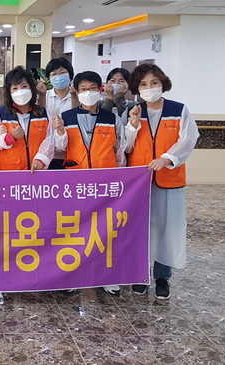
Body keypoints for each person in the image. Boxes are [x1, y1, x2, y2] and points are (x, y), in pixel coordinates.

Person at [125, 63, 199, 300]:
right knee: (140, 229)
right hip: (139, 182)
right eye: (144, 84)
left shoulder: (178, 110)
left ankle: (162, 278)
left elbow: (188, 140)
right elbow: (125, 147)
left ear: (163, 83)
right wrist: (133, 125)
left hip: (169, 180)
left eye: (154, 83)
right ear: (137, 88)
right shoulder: (133, 111)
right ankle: (139, 274)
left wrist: (167, 158)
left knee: (167, 228)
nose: (150, 88)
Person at [51, 70, 127, 297]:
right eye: (83, 89)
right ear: (76, 91)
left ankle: (108, 276)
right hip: (76, 182)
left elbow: (121, 151)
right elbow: (60, 147)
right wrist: (60, 131)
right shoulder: (66, 117)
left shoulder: (111, 118)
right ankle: (73, 275)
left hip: (105, 184)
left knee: (106, 230)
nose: (88, 93)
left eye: (92, 88)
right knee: (76, 230)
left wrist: (121, 178)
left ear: (100, 90)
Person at [0, 66, 54, 171]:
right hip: (9, 173)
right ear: (9, 92)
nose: (20, 91)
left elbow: (50, 139)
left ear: (31, 88)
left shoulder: (43, 114)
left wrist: (41, 159)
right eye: (15, 88)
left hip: (37, 172)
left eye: (24, 86)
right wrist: (9, 138)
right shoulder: (0, 114)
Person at [37, 57, 79, 169]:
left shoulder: (77, 96)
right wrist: (41, 96)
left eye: (62, 73)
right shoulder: (44, 96)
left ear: (70, 75)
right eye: (54, 74)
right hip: (47, 152)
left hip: (72, 151)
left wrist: (74, 97)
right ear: (48, 78)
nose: (59, 77)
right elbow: (40, 120)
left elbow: (78, 118)